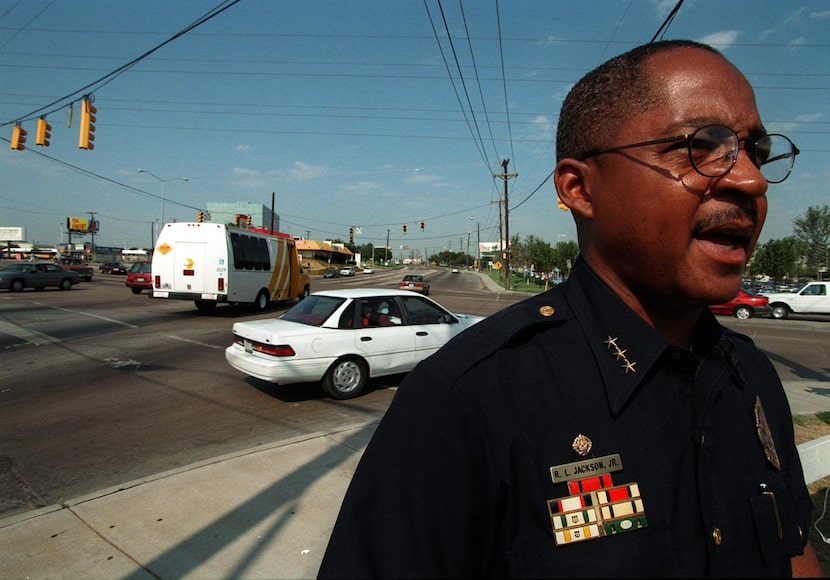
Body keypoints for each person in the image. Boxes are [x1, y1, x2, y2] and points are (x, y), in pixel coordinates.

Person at [317, 40, 822, 577]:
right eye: (704, 146)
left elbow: (794, 552)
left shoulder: (752, 378)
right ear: (579, 188)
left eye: (757, 152)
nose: (752, 180)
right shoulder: (467, 399)